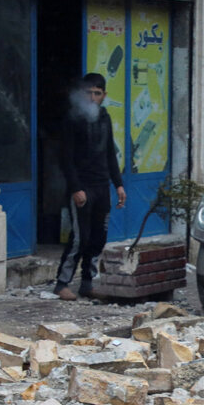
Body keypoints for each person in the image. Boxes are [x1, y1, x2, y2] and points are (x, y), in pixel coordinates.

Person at [53, 73, 126, 300]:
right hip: (82, 187)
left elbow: (109, 154)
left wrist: (119, 185)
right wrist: (76, 188)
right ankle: (62, 283)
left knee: (98, 238)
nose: (93, 97)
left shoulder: (105, 117)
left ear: (104, 96)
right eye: (89, 93)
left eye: (97, 93)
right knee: (79, 238)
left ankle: (87, 283)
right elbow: (65, 157)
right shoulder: (72, 119)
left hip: (101, 186)